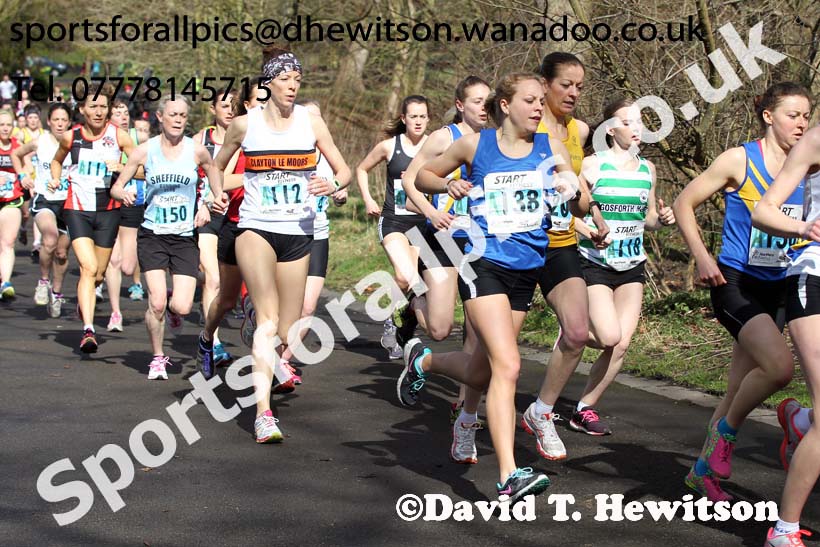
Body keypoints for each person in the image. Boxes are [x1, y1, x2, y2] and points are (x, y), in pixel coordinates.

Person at [401, 72, 581, 500]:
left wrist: (570, 187)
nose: (539, 108)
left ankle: (425, 362)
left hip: (526, 269)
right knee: (509, 366)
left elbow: (583, 202)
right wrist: (448, 183)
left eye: (541, 101)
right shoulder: (474, 145)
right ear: (505, 105)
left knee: (482, 371)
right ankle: (508, 476)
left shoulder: (550, 148)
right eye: (530, 100)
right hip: (482, 264)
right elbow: (423, 176)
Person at [673, 82, 811, 502]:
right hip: (735, 283)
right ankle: (728, 436)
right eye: (793, 115)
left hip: (781, 285)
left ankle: (702, 472)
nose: (802, 124)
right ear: (769, 116)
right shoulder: (739, 159)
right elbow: (683, 203)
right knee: (779, 368)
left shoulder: (807, 167)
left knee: (737, 389)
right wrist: (702, 257)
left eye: (807, 116)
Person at [212, 50, 351, 442]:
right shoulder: (245, 124)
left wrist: (333, 184)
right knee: (269, 321)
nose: (292, 85)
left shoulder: (311, 122)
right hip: (256, 228)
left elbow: (343, 169)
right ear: (268, 83)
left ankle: (258, 326)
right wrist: (216, 193)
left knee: (288, 332)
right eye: (285, 78)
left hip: (297, 231)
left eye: (297, 79)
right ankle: (264, 414)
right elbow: (216, 166)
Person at [570, 96, 675, 435]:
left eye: (639, 121)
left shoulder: (648, 170)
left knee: (622, 344)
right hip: (595, 261)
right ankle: (572, 332)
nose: (636, 128)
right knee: (607, 336)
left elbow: (648, 219)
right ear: (610, 129)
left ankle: (584, 408)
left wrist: (663, 219)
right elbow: (567, 215)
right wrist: (590, 231)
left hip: (632, 264)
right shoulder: (592, 166)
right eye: (627, 122)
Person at [522, 52, 608, 461]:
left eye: (579, 86)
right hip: (517, 245)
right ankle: (464, 412)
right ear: (545, 84)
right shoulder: (524, 125)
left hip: (559, 243)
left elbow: (577, 188)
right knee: (488, 354)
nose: (574, 93)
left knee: (576, 333)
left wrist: (592, 213)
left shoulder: (580, 129)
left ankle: (541, 411)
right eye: (566, 85)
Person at [402, 75, 490, 463]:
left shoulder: (493, 141)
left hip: (479, 244)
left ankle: (463, 408)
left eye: (488, 100)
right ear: (460, 105)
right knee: (439, 329)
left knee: (477, 330)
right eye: (476, 101)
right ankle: (411, 302)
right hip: (440, 238)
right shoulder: (443, 137)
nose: (483, 107)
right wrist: (432, 211)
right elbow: (410, 180)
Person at [111, 95, 221, 380]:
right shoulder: (144, 151)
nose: (178, 120)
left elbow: (215, 179)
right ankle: (158, 357)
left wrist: (208, 205)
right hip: (153, 235)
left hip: (184, 237)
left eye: (183, 115)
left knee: (181, 306)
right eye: (173, 114)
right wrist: (123, 193)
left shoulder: (197, 151)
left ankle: (173, 310)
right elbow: (117, 186)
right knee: (157, 302)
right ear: (160, 117)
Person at [751, 126, 820, 547]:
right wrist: (804, 228)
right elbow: (764, 211)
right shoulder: (816, 140)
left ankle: (801, 421)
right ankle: (784, 530)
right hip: (815, 278)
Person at [50, 83, 138, 353]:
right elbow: (57, 160)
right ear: (82, 109)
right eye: (93, 107)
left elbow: (143, 167)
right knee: (88, 268)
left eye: (103, 107)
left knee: (98, 274)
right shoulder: (71, 137)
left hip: (108, 211)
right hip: (77, 209)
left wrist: (122, 166)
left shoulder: (119, 136)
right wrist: (55, 178)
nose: (99, 112)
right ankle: (88, 330)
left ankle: (85, 297)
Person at [356, 95, 430, 359]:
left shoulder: (435, 146)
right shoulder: (389, 146)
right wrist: (368, 199)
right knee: (404, 276)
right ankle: (392, 322)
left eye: (423, 116)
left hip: (422, 223)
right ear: (403, 118)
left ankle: (403, 321)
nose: (418, 121)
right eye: (413, 116)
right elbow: (361, 169)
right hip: (393, 220)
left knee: (417, 282)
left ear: (428, 119)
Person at [279, 99, 348, 369]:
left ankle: (282, 362)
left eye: (317, 118)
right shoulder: (286, 152)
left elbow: (342, 184)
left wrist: (339, 193)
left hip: (318, 235)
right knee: (284, 308)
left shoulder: (329, 157)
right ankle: (270, 354)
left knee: (308, 307)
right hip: (289, 236)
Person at [11, 102, 73, 316]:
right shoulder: (40, 142)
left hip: (68, 203)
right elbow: (16, 154)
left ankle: (56, 293)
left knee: (62, 253)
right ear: (49, 122)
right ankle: (43, 281)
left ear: (69, 122)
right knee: (49, 239)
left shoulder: (76, 144)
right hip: (45, 200)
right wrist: (23, 175)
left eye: (64, 120)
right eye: (56, 120)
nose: (60, 124)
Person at [193, 89, 237, 365]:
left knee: (230, 282)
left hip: (238, 215)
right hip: (208, 214)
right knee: (213, 279)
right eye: (224, 105)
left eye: (234, 105)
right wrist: (201, 204)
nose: (230, 110)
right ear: (213, 109)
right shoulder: (201, 140)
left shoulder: (246, 137)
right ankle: (215, 342)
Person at [103, 99, 143, 332]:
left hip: (131, 202)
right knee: (114, 261)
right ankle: (115, 312)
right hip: (105, 203)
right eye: (117, 114)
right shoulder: (103, 140)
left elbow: (146, 171)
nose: (123, 117)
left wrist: (121, 169)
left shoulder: (138, 139)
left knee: (128, 266)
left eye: (125, 113)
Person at [0, 109, 22, 298]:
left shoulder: (17, 146)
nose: (5, 128)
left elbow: (27, 166)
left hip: (11, 200)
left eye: (9, 124)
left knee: (8, 242)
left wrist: (26, 176)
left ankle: (5, 283)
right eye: (1, 125)